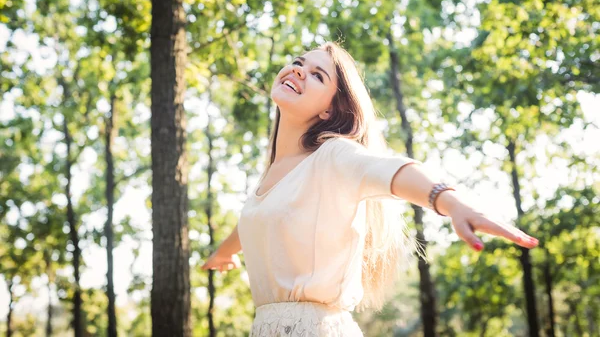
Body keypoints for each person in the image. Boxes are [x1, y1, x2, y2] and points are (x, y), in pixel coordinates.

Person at [201, 42, 538, 336]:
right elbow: (255, 221)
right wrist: (225, 251)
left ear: (329, 109)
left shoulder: (333, 155)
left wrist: (449, 201)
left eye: (318, 75)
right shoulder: (269, 177)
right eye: (299, 62)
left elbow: (390, 168)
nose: (299, 71)